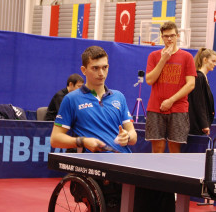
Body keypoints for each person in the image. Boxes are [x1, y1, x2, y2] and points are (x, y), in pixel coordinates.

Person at [50, 45, 137, 211]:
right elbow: (55, 138)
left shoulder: (119, 97)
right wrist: (83, 141)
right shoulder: (71, 99)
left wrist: (128, 136)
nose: (101, 73)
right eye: (95, 68)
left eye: (104, 68)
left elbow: (133, 136)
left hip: (124, 163)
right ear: (84, 69)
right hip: (96, 167)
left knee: (160, 193)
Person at [145, 21, 196, 153]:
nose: (169, 39)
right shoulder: (153, 56)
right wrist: (163, 60)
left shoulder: (187, 57)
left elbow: (191, 84)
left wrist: (171, 100)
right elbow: (149, 80)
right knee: (158, 148)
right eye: (166, 36)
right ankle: (155, 174)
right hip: (155, 108)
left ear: (177, 36)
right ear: (161, 37)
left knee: (175, 148)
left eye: (172, 35)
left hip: (178, 108)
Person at [188, 48, 216, 135]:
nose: (215, 64)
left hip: (200, 125)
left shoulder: (204, 77)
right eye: (213, 61)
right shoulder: (199, 77)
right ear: (205, 60)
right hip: (196, 126)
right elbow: (199, 103)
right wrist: (204, 124)